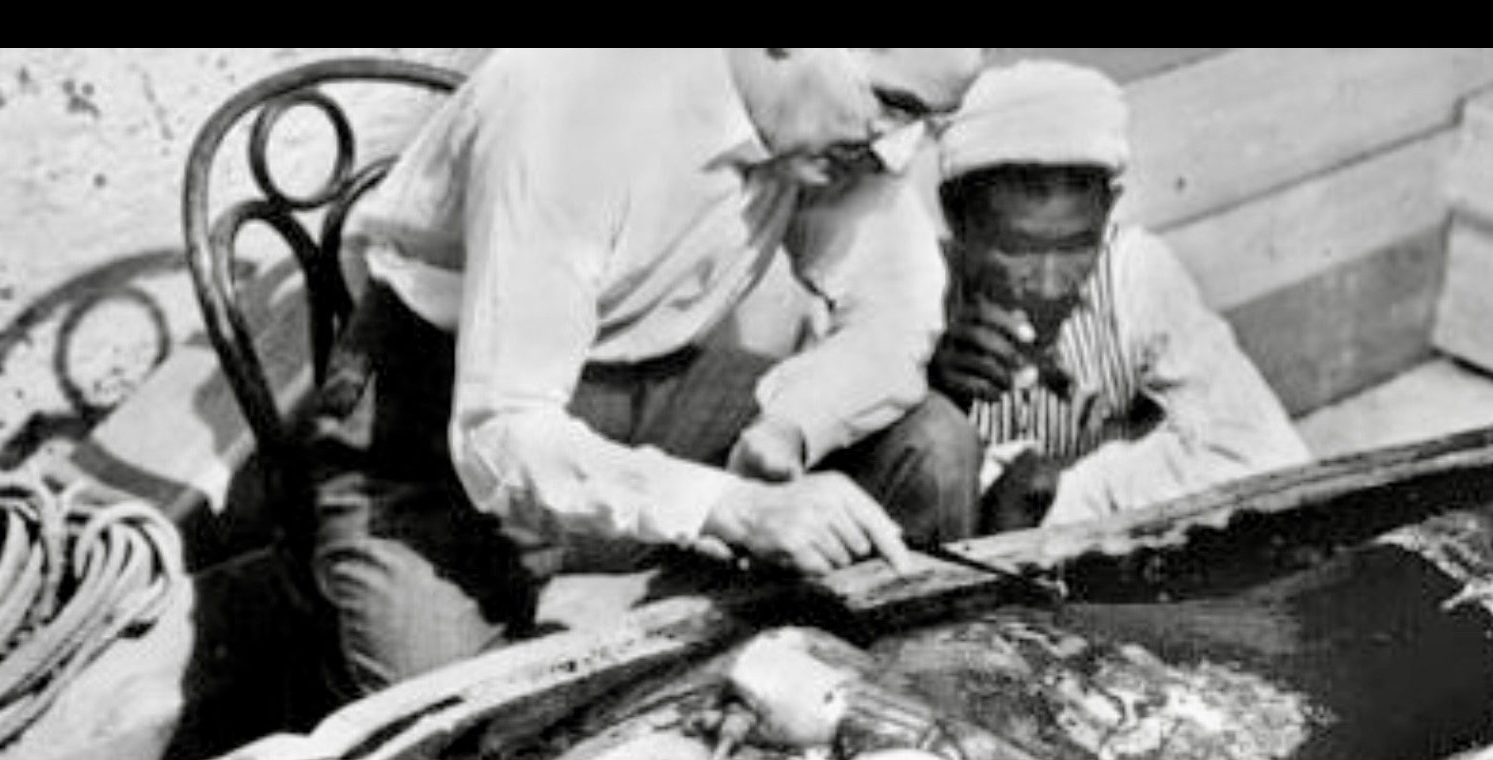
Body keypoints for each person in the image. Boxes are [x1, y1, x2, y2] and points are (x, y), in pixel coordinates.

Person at [303, 49, 987, 705]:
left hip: (644, 395)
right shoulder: (572, 98)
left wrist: (792, 428)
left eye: (928, 121)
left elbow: (896, 312)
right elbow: (503, 436)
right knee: (452, 738)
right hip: (433, 432)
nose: (898, 151)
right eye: (895, 106)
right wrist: (732, 506)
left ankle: (879, 720)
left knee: (928, 443)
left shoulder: (832, 117)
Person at [926, 60, 1315, 532]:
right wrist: (929, 393)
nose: (1050, 285)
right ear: (957, 217)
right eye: (1015, 248)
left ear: (1109, 207)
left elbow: (1270, 457)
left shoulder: (1136, 273)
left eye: (1076, 245)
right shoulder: (915, 291)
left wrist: (1069, 489)